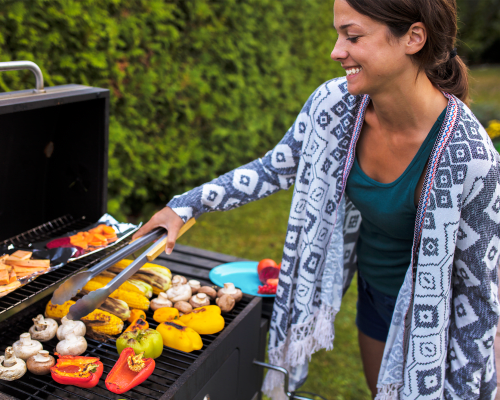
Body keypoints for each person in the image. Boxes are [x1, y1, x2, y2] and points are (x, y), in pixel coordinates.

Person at [133, 0, 500, 398]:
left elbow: (478, 296)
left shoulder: (472, 159)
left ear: (413, 37)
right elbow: (273, 168)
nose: (336, 50)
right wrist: (184, 205)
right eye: (338, 34)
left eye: (353, 35)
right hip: (375, 298)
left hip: (438, 319)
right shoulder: (335, 105)